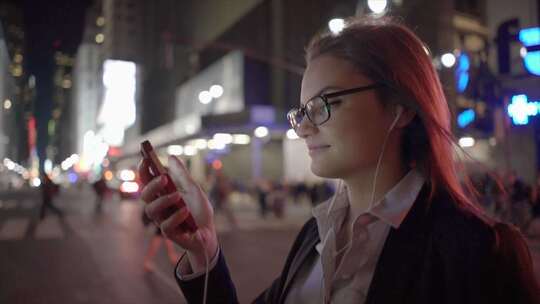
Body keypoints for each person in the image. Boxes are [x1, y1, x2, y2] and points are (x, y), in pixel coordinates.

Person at [139, 16, 539, 303]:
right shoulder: (316, 234)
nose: (304, 127)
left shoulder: (479, 253)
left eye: (323, 104)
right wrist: (204, 249)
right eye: (301, 112)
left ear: (400, 107)